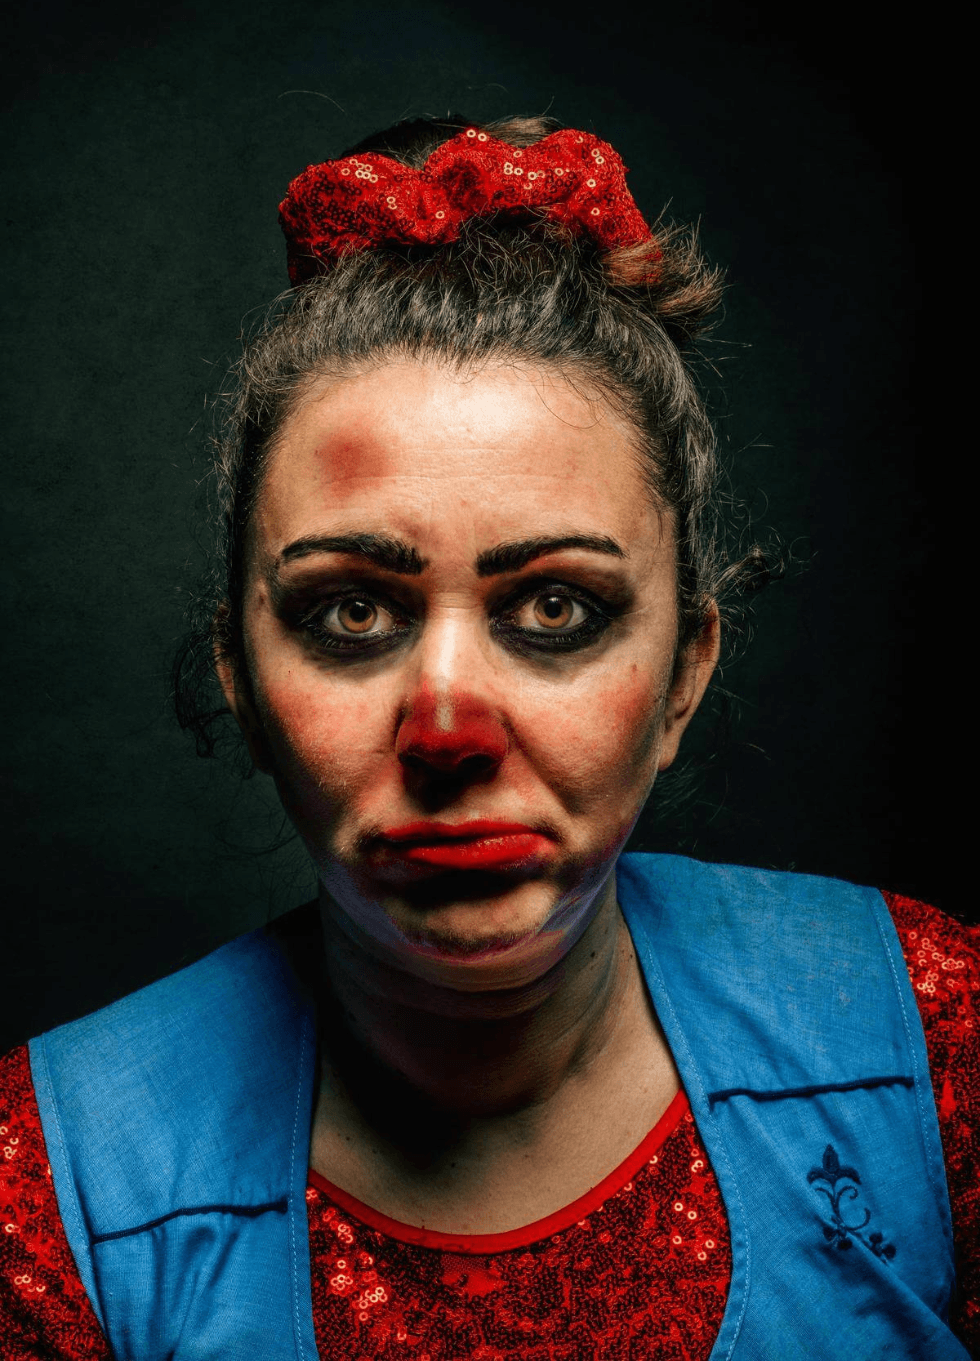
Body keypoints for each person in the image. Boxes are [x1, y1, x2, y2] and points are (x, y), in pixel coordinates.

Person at [0, 115, 976, 1360]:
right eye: (352, 612)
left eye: (554, 607)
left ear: (683, 671)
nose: (447, 726)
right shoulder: (47, 1196)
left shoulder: (941, 1047)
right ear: (239, 675)